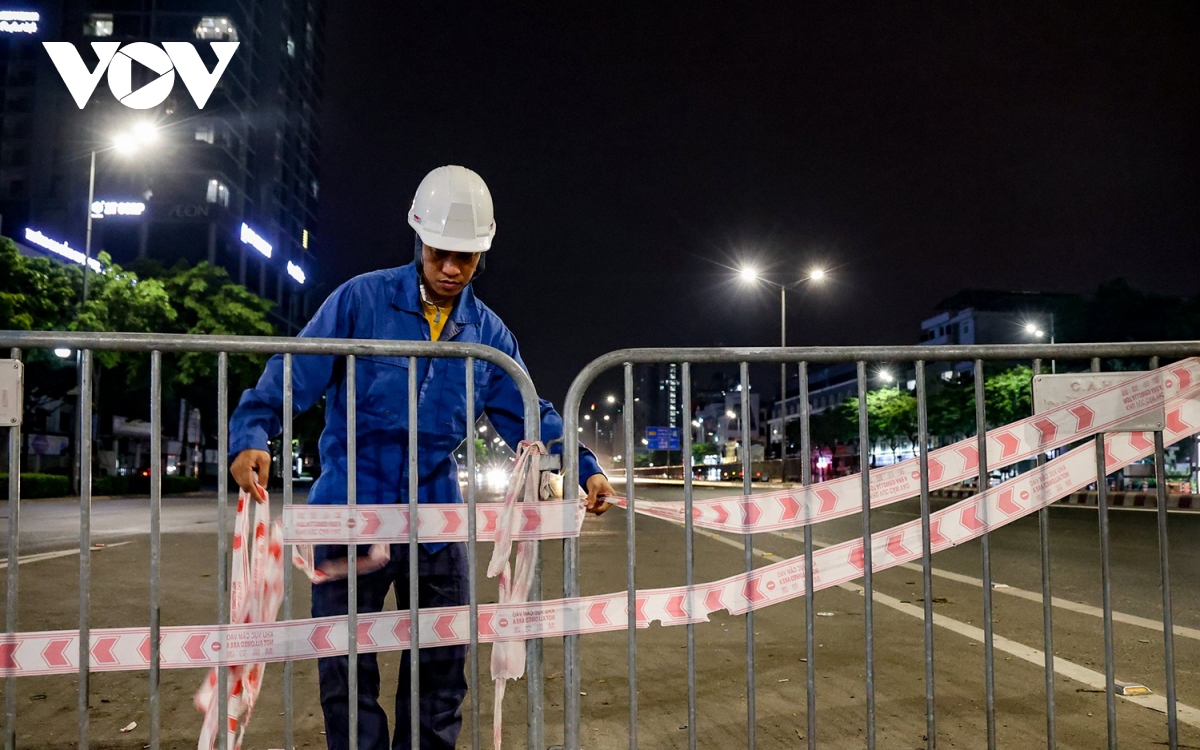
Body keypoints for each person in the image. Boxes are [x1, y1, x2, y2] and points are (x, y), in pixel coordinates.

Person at [228, 165, 614, 749]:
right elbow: (292, 373)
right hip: (348, 515)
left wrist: (584, 468)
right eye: (441, 254)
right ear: (418, 237)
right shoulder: (360, 302)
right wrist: (253, 431)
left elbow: (532, 418)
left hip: (434, 522)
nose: (453, 269)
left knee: (439, 670)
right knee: (346, 669)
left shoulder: (489, 336)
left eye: (467, 257)